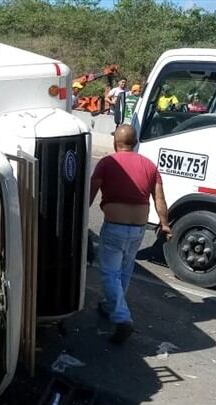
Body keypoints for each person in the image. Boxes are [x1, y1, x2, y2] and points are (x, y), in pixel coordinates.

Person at [90, 125, 171, 342]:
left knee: (110, 273)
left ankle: (122, 318)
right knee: (125, 271)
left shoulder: (107, 162)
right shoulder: (149, 165)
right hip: (138, 229)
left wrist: (78, 217)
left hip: (115, 227)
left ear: (114, 142)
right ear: (135, 143)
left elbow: (90, 192)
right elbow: (159, 198)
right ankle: (111, 307)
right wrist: (165, 224)